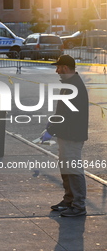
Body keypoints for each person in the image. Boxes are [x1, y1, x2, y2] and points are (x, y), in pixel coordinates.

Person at [43, 55, 89, 217]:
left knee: (74, 169)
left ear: (65, 68)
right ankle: (69, 200)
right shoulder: (69, 84)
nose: (56, 71)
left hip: (72, 135)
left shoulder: (74, 87)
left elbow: (68, 116)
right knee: (66, 167)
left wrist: (51, 130)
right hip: (66, 133)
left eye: (58, 67)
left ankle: (78, 205)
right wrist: (51, 126)